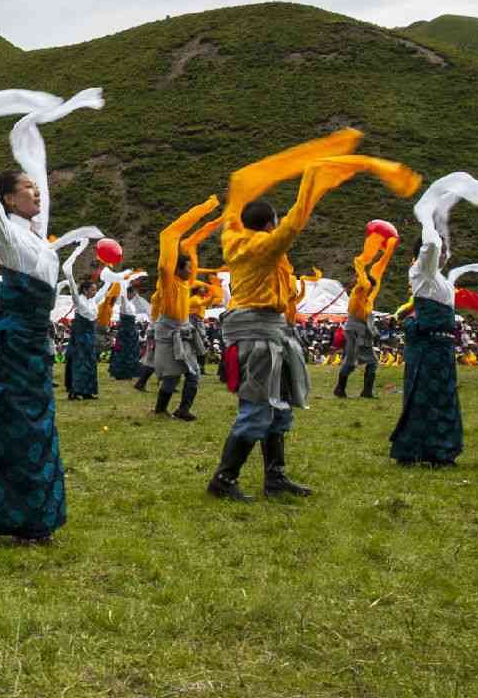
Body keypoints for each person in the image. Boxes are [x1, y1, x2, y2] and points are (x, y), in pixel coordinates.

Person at [208, 130, 421, 503]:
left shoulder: (233, 239)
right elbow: (296, 220)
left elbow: (236, 208)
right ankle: (223, 481)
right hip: (259, 335)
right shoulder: (264, 246)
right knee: (260, 406)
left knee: (277, 404)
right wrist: (313, 176)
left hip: (266, 331)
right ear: (269, 224)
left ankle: (274, 477)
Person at [0, 88, 106, 545]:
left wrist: (34, 129)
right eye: (28, 191)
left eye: (35, 190)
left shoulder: (37, 239)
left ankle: (33, 519)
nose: (37, 194)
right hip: (9, 348)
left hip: (33, 348)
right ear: (10, 201)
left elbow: (40, 178)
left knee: (36, 429)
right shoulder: (9, 238)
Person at [389, 171, 478, 467]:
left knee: (440, 398)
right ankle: (430, 451)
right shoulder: (421, 272)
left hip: (441, 348)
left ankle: (434, 449)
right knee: (427, 398)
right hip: (429, 347)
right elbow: (431, 247)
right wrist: (425, 218)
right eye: (441, 249)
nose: (444, 252)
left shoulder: (441, 281)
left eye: (447, 250)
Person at [151, 198, 221, 421]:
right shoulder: (168, 280)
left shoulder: (185, 284)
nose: (192, 270)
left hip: (183, 330)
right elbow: (169, 236)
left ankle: (178, 408)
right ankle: (165, 409)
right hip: (170, 331)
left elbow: (196, 247)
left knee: (191, 373)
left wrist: (219, 218)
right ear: (177, 268)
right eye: (188, 267)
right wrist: (206, 207)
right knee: (173, 376)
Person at [335, 227, 398, 400]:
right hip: (356, 330)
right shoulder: (359, 290)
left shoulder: (369, 298)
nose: (373, 289)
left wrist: (389, 251)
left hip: (359, 330)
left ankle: (343, 389)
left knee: (353, 360)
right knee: (366, 361)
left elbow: (379, 270)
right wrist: (362, 259)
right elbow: (363, 276)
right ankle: (361, 391)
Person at [60, 243, 119, 401]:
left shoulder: (94, 301)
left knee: (90, 361)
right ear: (85, 290)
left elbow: (104, 291)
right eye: (92, 289)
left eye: (94, 289)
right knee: (79, 361)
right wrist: (69, 274)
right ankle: (74, 390)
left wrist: (109, 277)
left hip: (89, 334)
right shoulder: (79, 301)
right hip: (79, 335)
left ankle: (87, 391)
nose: (94, 291)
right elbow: (73, 287)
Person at [109, 273, 146, 384]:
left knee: (132, 351)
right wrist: (127, 279)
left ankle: (130, 371)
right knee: (123, 351)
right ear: (129, 293)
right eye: (133, 293)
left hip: (131, 330)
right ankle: (122, 372)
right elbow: (124, 293)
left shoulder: (132, 305)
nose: (134, 295)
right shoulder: (124, 303)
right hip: (125, 330)